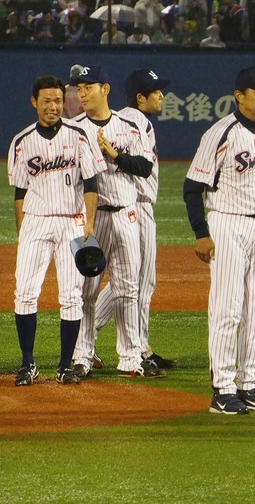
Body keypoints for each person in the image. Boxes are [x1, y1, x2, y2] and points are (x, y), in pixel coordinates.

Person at [183, 66, 255, 415]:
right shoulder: (220, 133)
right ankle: (223, 388)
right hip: (227, 225)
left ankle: (249, 385)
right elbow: (192, 187)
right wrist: (202, 233)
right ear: (240, 95)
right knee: (227, 308)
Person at [7, 76, 106, 386]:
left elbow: (91, 183)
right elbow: (20, 193)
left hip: (71, 222)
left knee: (71, 296)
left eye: (58, 101)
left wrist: (88, 223)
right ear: (34, 102)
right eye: (47, 100)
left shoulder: (79, 136)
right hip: (36, 220)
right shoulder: (21, 142)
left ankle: (65, 365)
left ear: (65, 103)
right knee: (24, 294)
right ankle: (28, 364)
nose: (53, 106)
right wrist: (22, 229)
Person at [70, 65, 162, 379]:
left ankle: (130, 358)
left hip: (126, 213)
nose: (82, 93)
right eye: (79, 88)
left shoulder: (129, 127)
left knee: (128, 289)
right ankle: (81, 354)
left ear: (105, 89)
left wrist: (114, 155)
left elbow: (144, 167)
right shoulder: (73, 129)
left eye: (88, 86)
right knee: (87, 288)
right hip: (89, 218)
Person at [92, 69, 175, 372]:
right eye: (156, 92)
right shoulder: (135, 121)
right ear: (141, 97)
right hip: (134, 207)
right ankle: (138, 349)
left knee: (127, 283)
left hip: (132, 206)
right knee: (136, 283)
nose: (161, 96)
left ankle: (98, 340)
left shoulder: (131, 119)